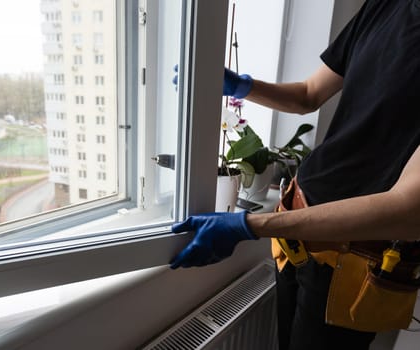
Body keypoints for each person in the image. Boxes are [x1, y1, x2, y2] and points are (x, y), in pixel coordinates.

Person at [170, 1, 420, 349]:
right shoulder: (386, 6)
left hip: (357, 257)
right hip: (298, 227)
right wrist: (242, 86)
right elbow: (308, 94)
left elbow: (408, 211)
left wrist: (248, 226)